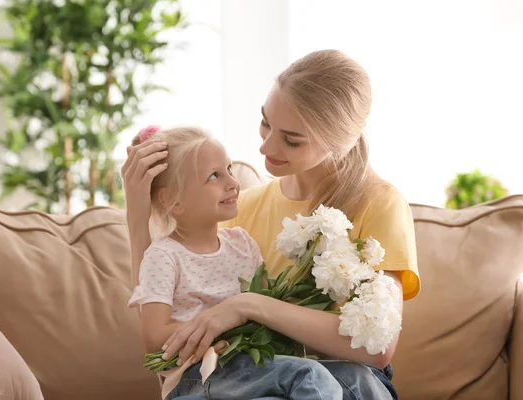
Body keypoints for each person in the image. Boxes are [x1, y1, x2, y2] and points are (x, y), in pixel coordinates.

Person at [122, 49, 421, 400]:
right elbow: (162, 305)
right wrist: (137, 216)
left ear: (338, 140)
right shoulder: (241, 209)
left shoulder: (380, 205)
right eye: (265, 122)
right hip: (258, 380)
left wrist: (246, 306)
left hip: (346, 382)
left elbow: (376, 347)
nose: (265, 146)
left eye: (291, 139)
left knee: (347, 382)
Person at [127, 125, 344, 400]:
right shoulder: (164, 256)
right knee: (310, 376)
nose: (232, 182)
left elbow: (264, 309)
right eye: (214, 176)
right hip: (198, 376)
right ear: (173, 200)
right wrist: (222, 329)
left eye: (229, 169)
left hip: (244, 370)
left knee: (341, 380)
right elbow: (155, 338)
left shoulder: (242, 243)